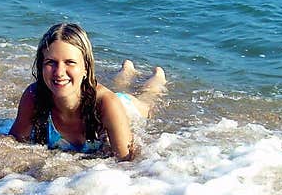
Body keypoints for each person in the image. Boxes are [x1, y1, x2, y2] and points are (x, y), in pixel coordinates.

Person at [9, 22, 166, 160]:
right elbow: (12, 144)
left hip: (122, 107)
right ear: (41, 66)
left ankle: (156, 76)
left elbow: (126, 162)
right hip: (93, 94)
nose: (59, 72)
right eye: (51, 62)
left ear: (86, 67)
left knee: (147, 98)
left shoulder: (108, 104)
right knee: (121, 81)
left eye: (70, 62)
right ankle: (126, 70)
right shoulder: (34, 97)